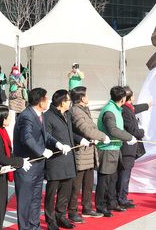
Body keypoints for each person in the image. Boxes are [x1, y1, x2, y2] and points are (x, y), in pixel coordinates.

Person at [13, 87, 72, 230]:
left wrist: (58, 144)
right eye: (46, 99)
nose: (49, 101)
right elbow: (26, 138)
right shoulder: (26, 116)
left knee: (35, 200)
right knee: (25, 202)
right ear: (40, 101)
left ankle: (35, 226)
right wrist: (42, 151)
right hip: (28, 165)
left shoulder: (40, 114)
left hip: (38, 165)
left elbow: (46, 135)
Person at [44, 90, 86, 230]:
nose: (70, 103)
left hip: (68, 160)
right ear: (62, 102)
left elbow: (70, 133)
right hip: (55, 162)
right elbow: (46, 137)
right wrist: (58, 145)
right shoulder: (48, 117)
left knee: (65, 192)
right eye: (68, 100)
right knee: (51, 194)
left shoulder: (67, 114)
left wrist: (81, 139)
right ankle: (51, 221)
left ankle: (61, 217)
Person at [67, 86, 110, 223]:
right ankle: (72, 211)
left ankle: (87, 208)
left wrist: (96, 137)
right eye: (86, 95)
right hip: (81, 153)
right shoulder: (75, 111)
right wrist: (103, 136)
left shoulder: (83, 109)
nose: (88, 97)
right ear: (81, 98)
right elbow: (85, 129)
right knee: (76, 185)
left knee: (88, 183)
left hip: (89, 152)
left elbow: (91, 128)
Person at [95, 86, 137, 217]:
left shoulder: (116, 108)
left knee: (113, 178)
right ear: (123, 98)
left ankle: (112, 202)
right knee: (105, 179)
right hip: (107, 150)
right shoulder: (109, 111)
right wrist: (129, 137)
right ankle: (101, 205)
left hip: (115, 148)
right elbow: (112, 130)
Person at [117, 86, 149, 209]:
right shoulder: (125, 110)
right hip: (127, 148)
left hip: (130, 148)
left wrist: (147, 105)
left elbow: (135, 109)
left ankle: (123, 196)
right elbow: (132, 130)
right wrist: (143, 131)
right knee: (124, 174)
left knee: (126, 173)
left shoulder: (128, 108)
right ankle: (121, 198)